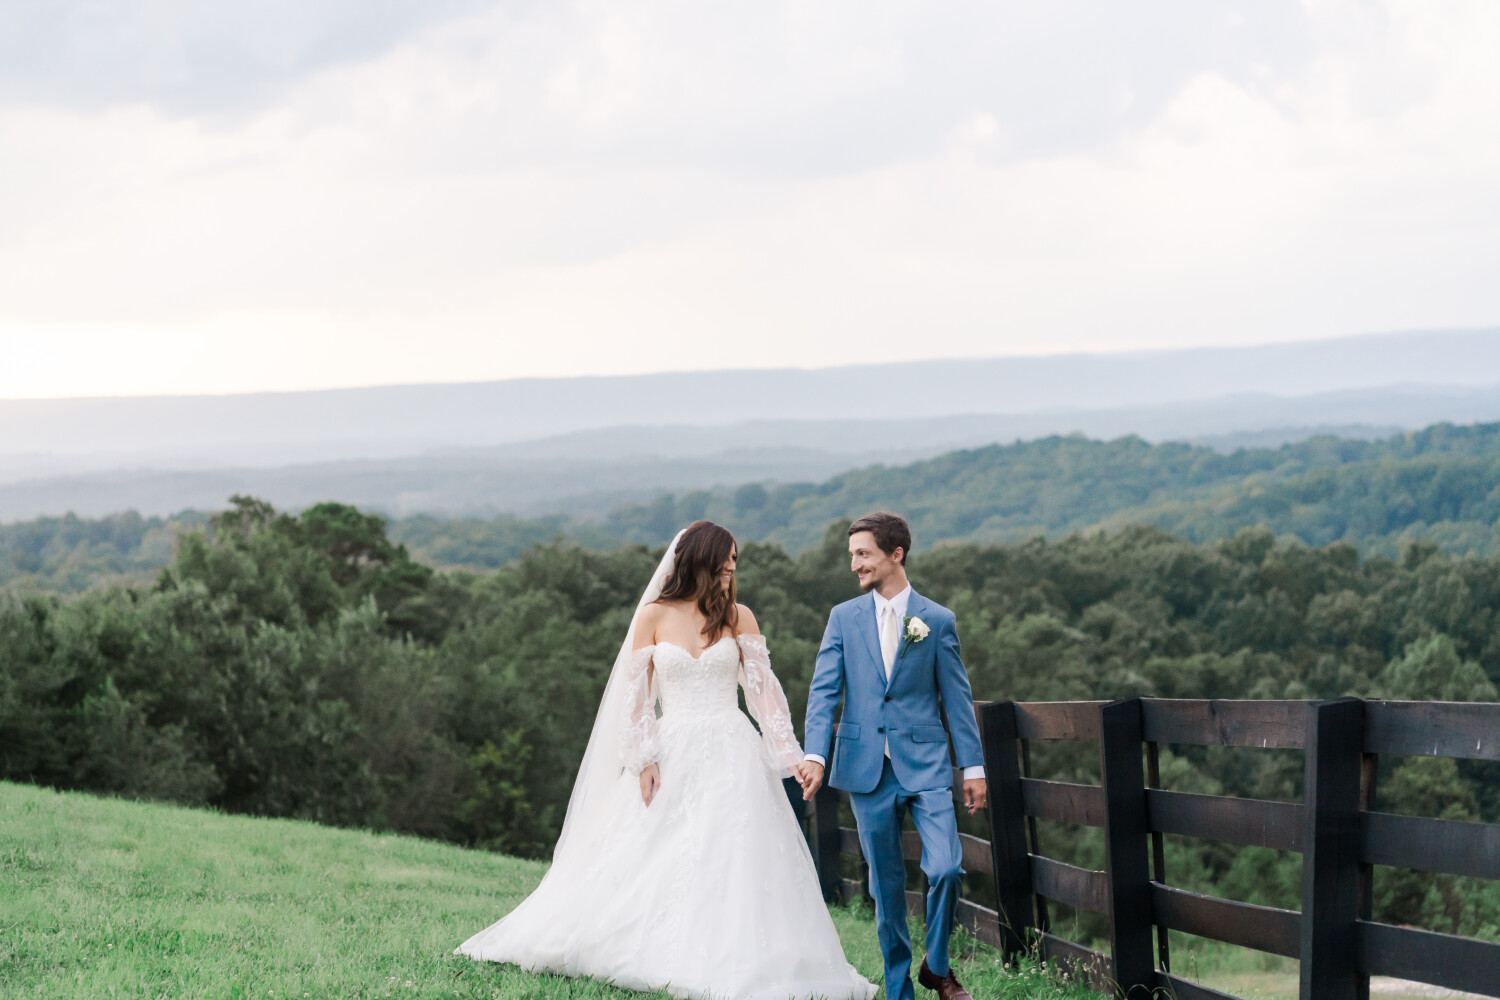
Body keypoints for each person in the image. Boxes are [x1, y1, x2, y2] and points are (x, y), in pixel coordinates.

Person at [456, 521, 875, 1000]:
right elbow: (635, 700)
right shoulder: (652, 616)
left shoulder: (740, 617)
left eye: (735, 561)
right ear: (698, 560)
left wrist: (792, 756)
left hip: (732, 749)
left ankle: (736, 952)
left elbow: (765, 699)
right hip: (672, 748)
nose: (732, 569)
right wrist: (643, 758)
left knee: (733, 849)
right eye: (725, 560)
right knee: (661, 848)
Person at [799, 512, 986, 1000]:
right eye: (852, 555)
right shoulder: (843, 617)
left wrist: (974, 766)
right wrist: (816, 755)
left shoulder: (937, 620)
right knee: (885, 891)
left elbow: (957, 700)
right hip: (865, 769)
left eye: (863, 554)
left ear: (895, 554)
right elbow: (823, 694)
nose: (855, 564)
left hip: (925, 765)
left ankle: (938, 967)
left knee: (945, 866)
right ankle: (900, 990)